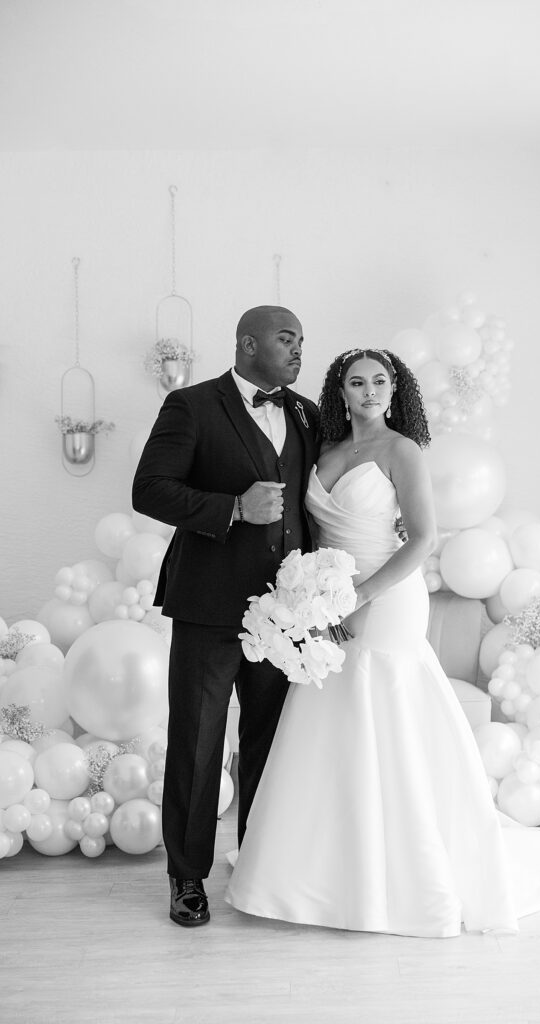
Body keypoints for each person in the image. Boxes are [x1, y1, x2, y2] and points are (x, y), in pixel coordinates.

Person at [225, 348, 540, 938]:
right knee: (332, 717)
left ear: (395, 391)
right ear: (340, 392)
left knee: (384, 710)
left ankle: (400, 875)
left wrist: (360, 596)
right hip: (329, 597)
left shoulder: (402, 451)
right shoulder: (323, 453)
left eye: (380, 381)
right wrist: (313, 597)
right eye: (357, 382)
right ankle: (326, 872)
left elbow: (422, 540)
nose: (369, 390)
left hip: (387, 594)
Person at [132, 305, 320, 927]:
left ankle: (260, 863)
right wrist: (233, 508)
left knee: (269, 742)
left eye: (300, 340)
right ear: (246, 343)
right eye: (286, 338)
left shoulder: (305, 413)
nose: (298, 349)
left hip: (285, 612)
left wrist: (322, 594)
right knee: (197, 741)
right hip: (210, 606)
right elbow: (149, 488)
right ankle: (187, 876)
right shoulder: (190, 405)